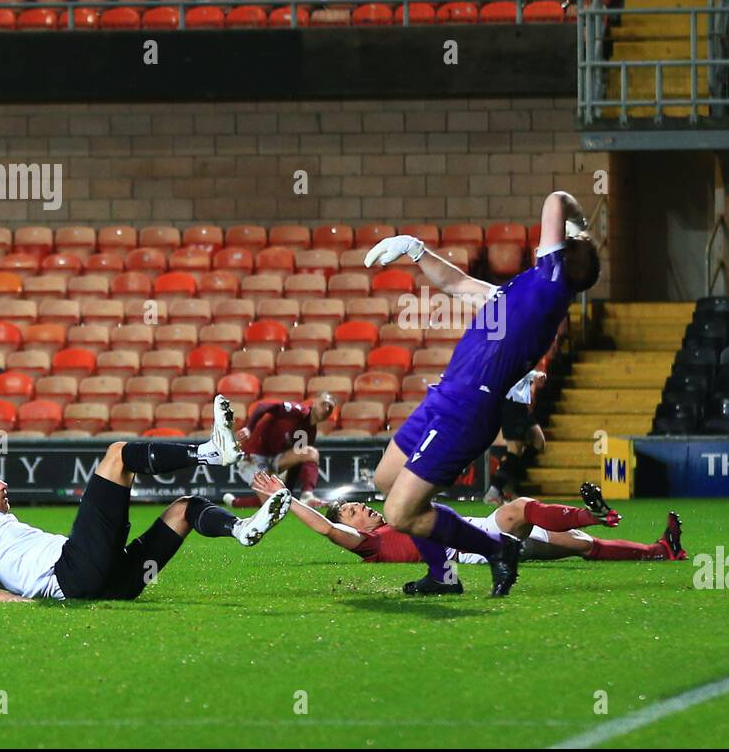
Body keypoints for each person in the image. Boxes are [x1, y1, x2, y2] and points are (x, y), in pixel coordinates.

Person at [361, 191, 600, 596]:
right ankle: (443, 577)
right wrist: (416, 250)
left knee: (399, 513)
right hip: (445, 397)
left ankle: (496, 549)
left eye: (565, 243)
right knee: (386, 479)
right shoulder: (526, 289)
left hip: (467, 409)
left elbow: (556, 200)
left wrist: (579, 225)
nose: (554, 242)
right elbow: (459, 284)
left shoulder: (550, 285)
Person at [0, 396, 291, 602]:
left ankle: (241, 528)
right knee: (118, 455)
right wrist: (5, 600)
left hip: (109, 582)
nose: (3, 484)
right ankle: (211, 451)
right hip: (74, 573)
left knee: (186, 508)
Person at [244, 474, 686, 596]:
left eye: (361, 504)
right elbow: (325, 528)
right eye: (358, 511)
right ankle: (593, 516)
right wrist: (286, 497)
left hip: (482, 534)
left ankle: (659, 551)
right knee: (515, 510)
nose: (366, 509)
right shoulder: (370, 544)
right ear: (353, 528)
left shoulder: (397, 518)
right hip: (481, 547)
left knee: (585, 549)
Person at [233, 393, 336, 506]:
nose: (326, 409)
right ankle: (236, 502)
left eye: (330, 408)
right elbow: (263, 406)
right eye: (324, 404)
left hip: (275, 458)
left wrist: (289, 492)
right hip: (252, 455)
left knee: (310, 453)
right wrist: (249, 428)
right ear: (315, 402)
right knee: (271, 501)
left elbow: (297, 465)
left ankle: (307, 495)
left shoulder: (310, 432)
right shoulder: (296, 411)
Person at [484, 369, 547, 505]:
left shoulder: (523, 354)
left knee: (539, 442)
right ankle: (494, 491)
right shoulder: (508, 353)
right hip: (510, 403)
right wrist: (534, 375)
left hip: (520, 406)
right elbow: (513, 369)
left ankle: (508, 481)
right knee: (515, 450)